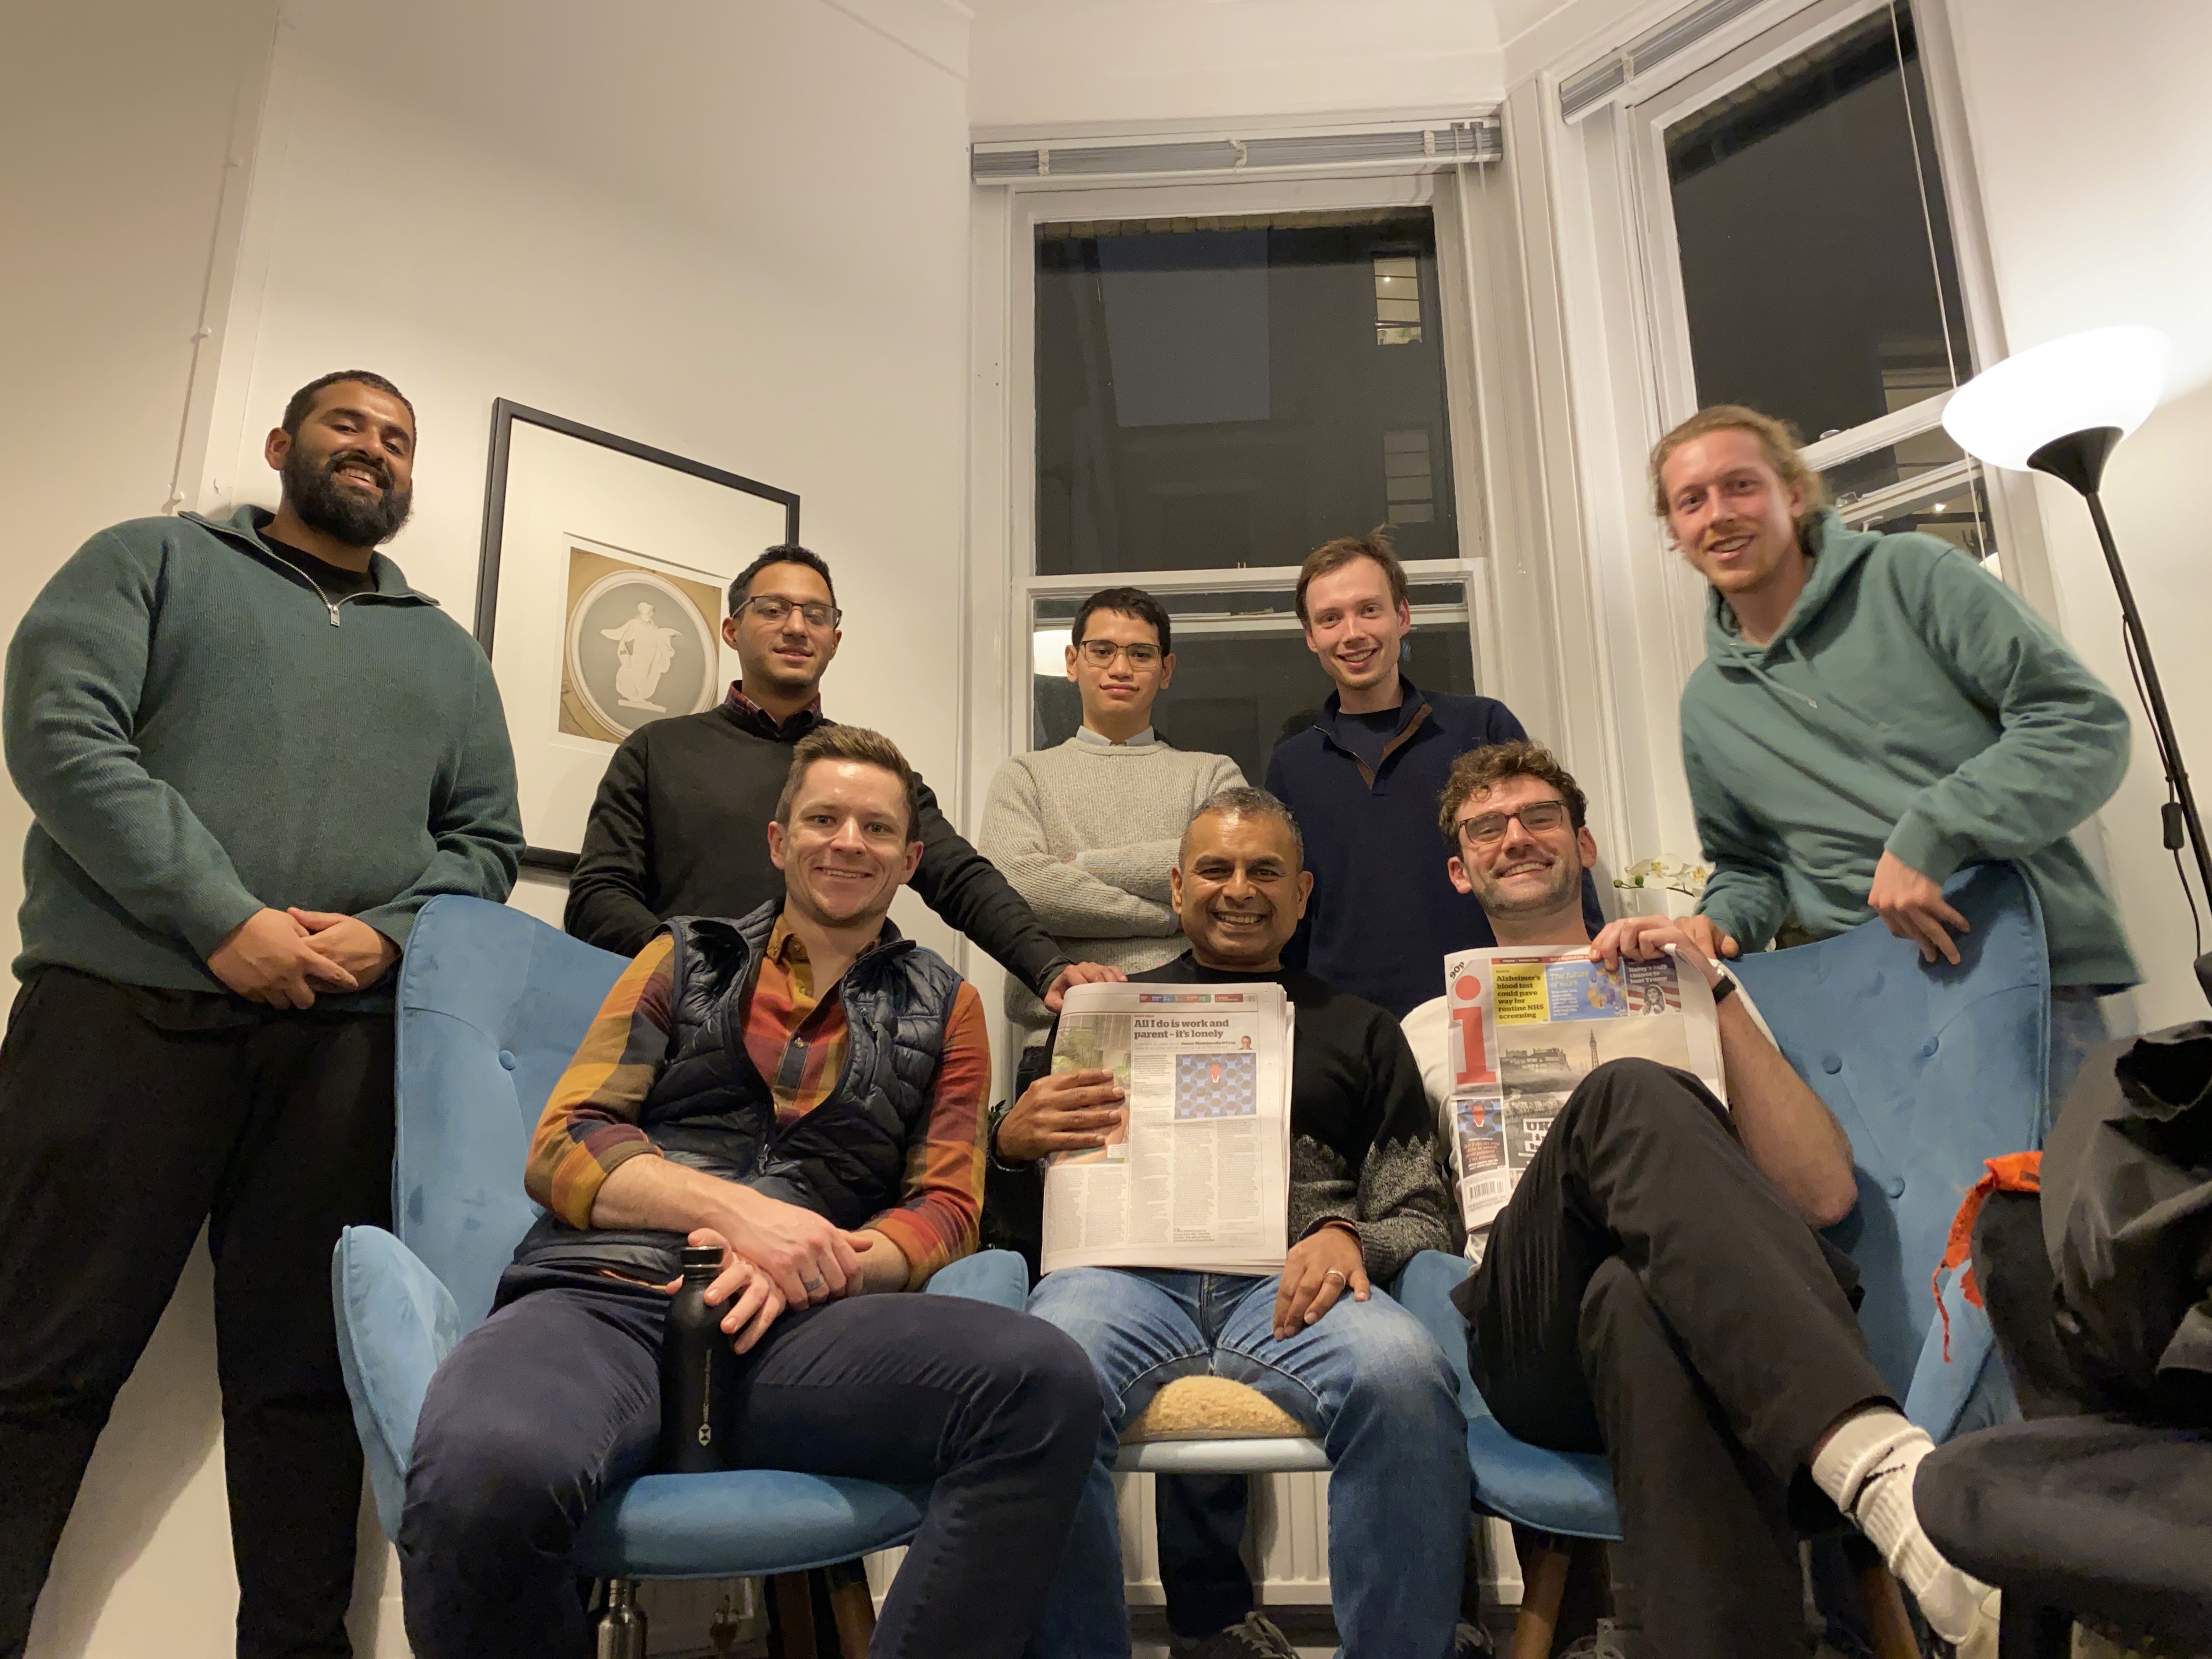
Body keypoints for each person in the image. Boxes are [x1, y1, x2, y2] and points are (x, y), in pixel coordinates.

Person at [0, 370, 524, 1659]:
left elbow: (486, 843)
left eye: (399, 438)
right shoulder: (150, 562)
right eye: (349, 423)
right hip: (117, 1015)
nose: (375, 448)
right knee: (35, 1362)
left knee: (306, 1392)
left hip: (343, 1045)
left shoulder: (448, 655)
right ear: (285, 444)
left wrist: (387, 933)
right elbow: (63, 733)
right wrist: (220, 917)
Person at [400, 726, 1104, 1659]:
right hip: (605, 1299)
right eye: (823, 818)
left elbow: (945, 1209)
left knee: (1046, 1382)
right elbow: (566, 1142)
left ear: (910, 861)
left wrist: (816, 1261)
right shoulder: (679, 958)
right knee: (482, 1475)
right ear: (779, 840)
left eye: (876, 827)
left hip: (807, 1332)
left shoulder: (949, 1006)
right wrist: (743, 1217)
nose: (848, 841)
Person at [1410, 740, 1993, 1654]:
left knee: (1635, 1297)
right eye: (1488, 827)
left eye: (1539, 817)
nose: (1515, 837)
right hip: (1535, 1343)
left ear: (1585, 845)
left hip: (1708, 1321)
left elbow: (1822, 1190)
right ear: (1460, 868)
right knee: (1627, 1093)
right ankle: (1882, 1468)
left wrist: (1709, 987)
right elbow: (1406, 1211)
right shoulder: (1422, 1028)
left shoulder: (1697, 984)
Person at [1001, 787, 1469, 1659]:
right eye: (1215, 869)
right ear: (1178, 889)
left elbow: (1421, 1211)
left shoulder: (1363, 1029)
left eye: (1266, 871)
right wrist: (1010, 1146)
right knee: (1039, 1383)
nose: (1240, 889)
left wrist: (1350, 1236)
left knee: (1404, 1376)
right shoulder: (1100, 1018)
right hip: (1119, 1283)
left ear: (1302, 892)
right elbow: (1017, 1221)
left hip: (1291, 1289)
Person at [1658, 404, 2137, 1104]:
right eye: (1692, 501)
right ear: (1676, 534)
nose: (1719, 514)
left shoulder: (1913, 575)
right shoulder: (1706, 705)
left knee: (2069, 1182)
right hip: (1865, 1017)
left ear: (1793, 493)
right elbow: (1751, 866)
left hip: (2029, 980)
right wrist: (1719, 925)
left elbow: (2083, 723)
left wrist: (1936, 831)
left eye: (1741, 486)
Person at [980, 588, 1254, 1653]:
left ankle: (1212, 1619)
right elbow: (1014, 887)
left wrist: (1080, 876)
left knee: (1209, 1310)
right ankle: (1067, 1627)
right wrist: (1169, 889)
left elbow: (1226, 892)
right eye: (1102, 650)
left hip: (1201, 1039)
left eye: (1141, 652)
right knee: (1069, 1332)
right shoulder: (1026, 776)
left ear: (1167, 668)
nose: (1121, 667)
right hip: (1069, 1048)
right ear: (1073, 662)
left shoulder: (1209, 775)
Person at [565, 543, 1117, 1013]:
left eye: (816, 615)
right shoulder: (658, 750)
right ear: (732, 630)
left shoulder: (870, 771)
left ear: (835, 638)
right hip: (685, 1026)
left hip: (836, 1036)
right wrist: (693, 969)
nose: (796, 627)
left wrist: (1047, 966)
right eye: (773, 610)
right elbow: (597, 897)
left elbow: (961, 878)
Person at [1264, 529, 1600, 1019]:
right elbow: (1285, 909)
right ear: (1311, 636)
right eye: (1330, 619)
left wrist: (1590, 965)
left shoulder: (1482, 725)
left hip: (1489, 1008)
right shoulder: (1292, 764)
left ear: (1402, 616)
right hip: (1342, 1023)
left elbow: (1556, 854)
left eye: (1369, 610)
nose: (1352, 633)